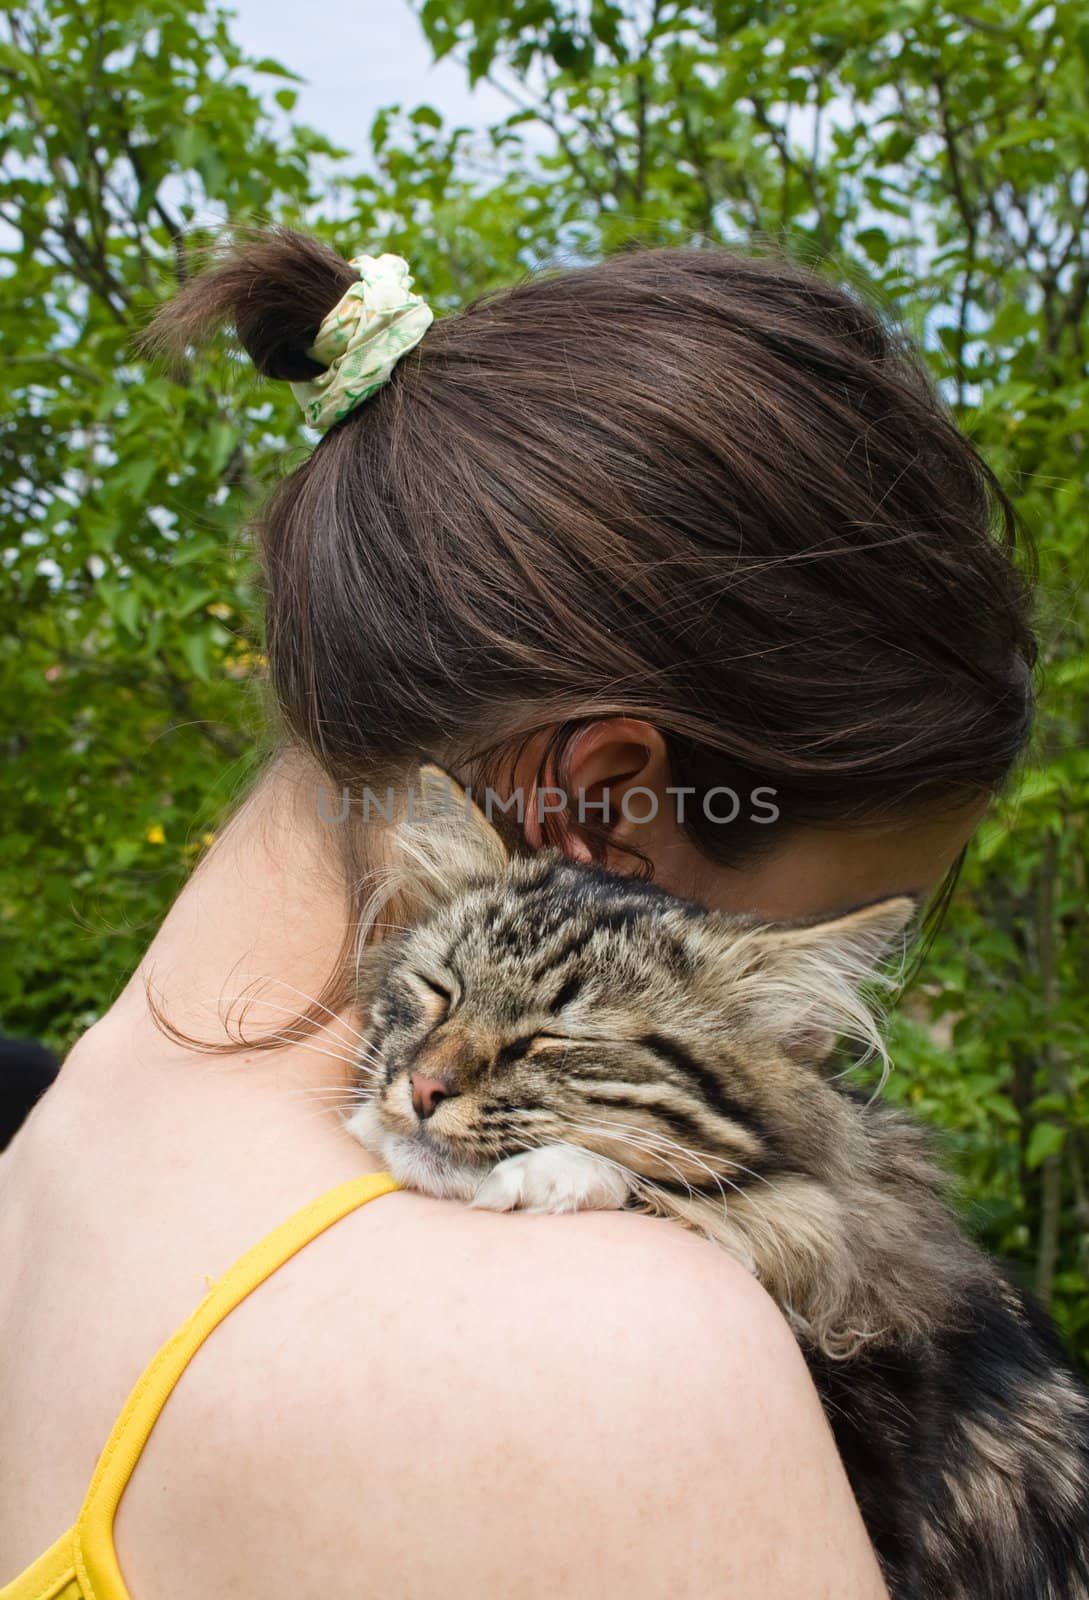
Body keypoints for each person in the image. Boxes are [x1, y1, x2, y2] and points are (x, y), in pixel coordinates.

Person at [0, 232, 1035, 1599]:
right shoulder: (608, 1358)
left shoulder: (42, 1152)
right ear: (597, 809)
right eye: (816, 984)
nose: (814, 1062)